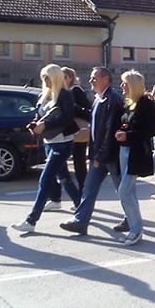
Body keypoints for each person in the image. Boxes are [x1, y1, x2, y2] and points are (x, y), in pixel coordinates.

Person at [12, 64, 80, 233]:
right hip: (49, 141)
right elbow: (39, 115)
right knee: (63, 177)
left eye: (47, 77)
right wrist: (34, 124)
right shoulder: (45, 94)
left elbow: (67, 118)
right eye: (43, 77)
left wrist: (46, 124)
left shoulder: (65, 94)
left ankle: (31, 220)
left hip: (63, 142)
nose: (44, 80)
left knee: (45, 179)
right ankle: (80, 206)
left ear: (55, 77)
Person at [60, 67, 125, 235]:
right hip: (100, 154)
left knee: (123, 190)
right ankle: (80, 221)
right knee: (89, 188)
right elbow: (93, 117)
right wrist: (74, 108)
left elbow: (111, 131)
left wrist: (100, 155)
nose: (90, 81)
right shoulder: (99, 99)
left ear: (105, 79)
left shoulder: (113, 100)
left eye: (94, 78)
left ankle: (131, 219)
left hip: (110, 155)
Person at [111, 70, 155, 246]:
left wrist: (128, 135)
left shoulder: (147, 104)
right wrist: (121, 132)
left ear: (132, 85)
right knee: (129, 191)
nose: (121, 86)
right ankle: (133, 226)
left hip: (137, 152)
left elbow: (151, 130)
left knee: (124, 191)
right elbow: (125, 124)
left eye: (124, 83)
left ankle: (136, 229)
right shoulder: (129, 103)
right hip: (124, 150)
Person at [44, 66, 91, 211]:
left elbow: (81, 110)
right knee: (62, 171)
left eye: (65, 76)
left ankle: (81, 197)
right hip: (63, 135)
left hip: (76, 133)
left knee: (78, 165)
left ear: (70, 77)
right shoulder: (56, 92)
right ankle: (61, 199)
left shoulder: (74, 91)